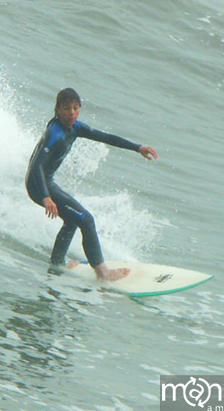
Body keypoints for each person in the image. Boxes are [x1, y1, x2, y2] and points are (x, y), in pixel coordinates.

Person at [25, 88, 158, 282]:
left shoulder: (75, 128)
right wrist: (46, 197)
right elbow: (36, 166)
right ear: (57, 109)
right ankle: (103, 273)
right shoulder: (54, 134)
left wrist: (137, 147)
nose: (72, 113)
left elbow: (106, 137)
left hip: (46, 183)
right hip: (38, 185)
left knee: (73, 219)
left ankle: (57, 264)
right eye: (66, 108)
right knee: (86, 219)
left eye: (76, 108)